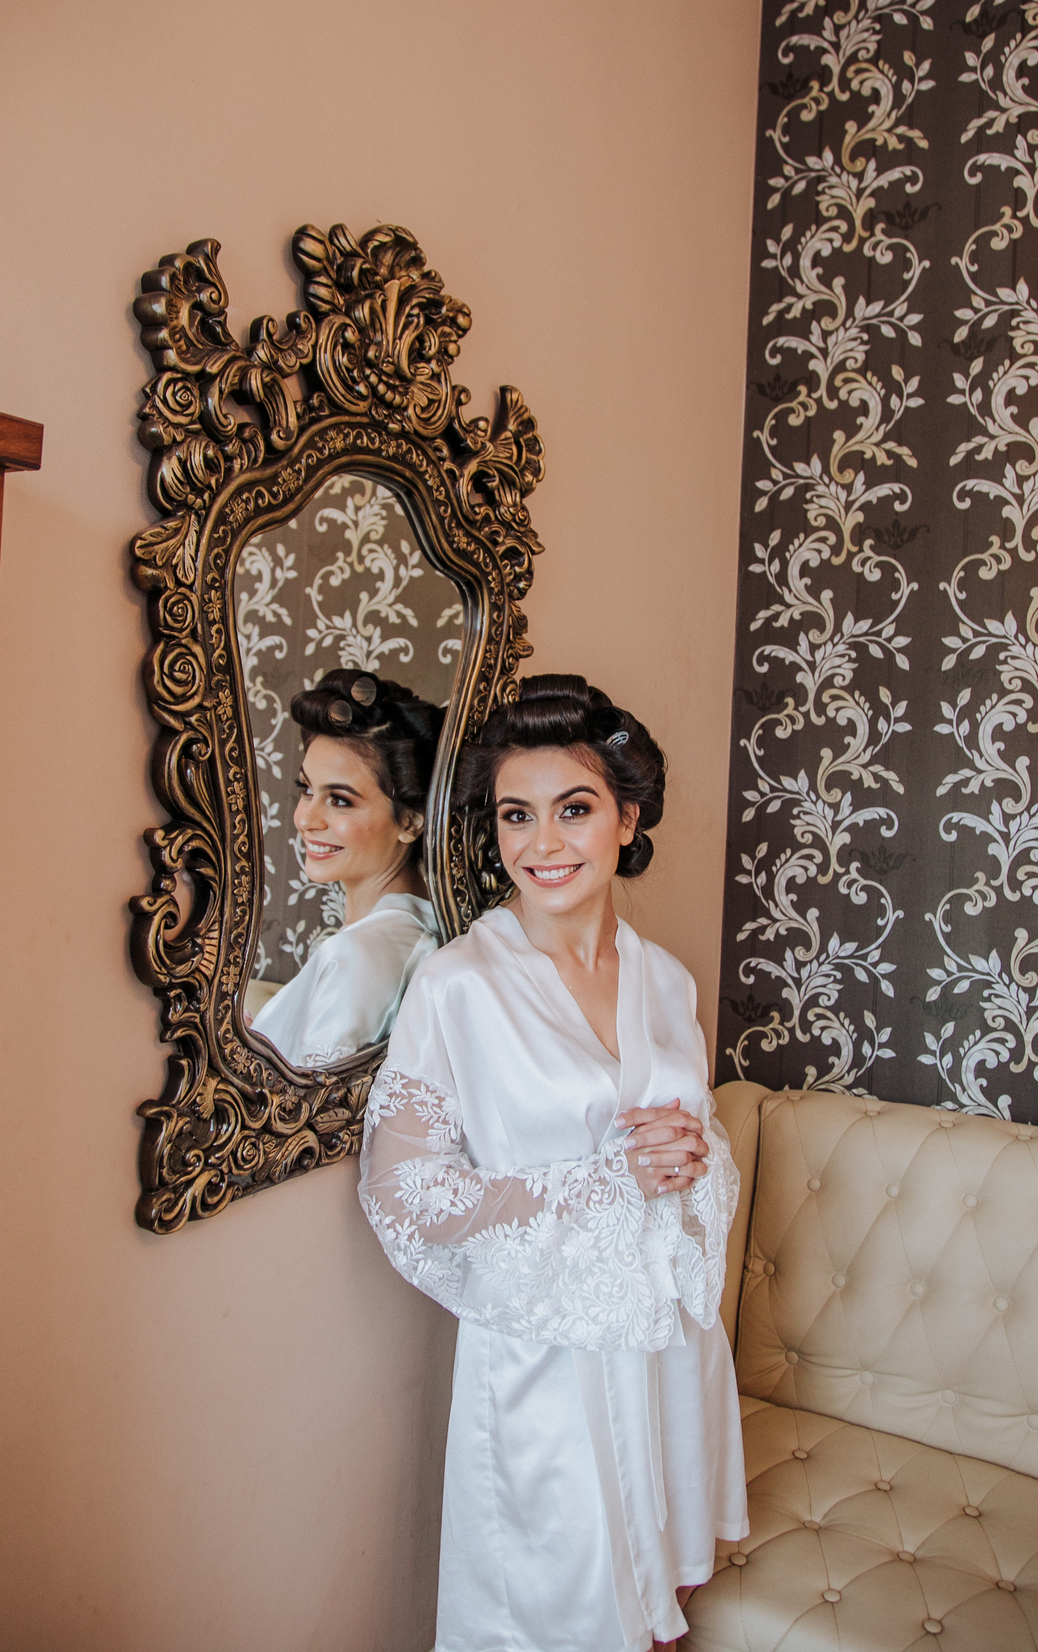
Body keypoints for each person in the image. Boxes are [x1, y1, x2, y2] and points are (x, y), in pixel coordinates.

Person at [359, 674, 747, 1652]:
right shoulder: (458, 989)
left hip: (666, 1350)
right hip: (547, 1366)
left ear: (628, 818)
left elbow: (692, 1148)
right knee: (554, 1619)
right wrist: (609, 1181)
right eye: (516, 815)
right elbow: (404, 1192)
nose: (543, 844)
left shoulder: (667, 981)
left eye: (574, 809)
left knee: (660, 1612)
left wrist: (694, 1155)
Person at [251, 669, 443, 1070]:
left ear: (411, 821)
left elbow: (311, 1105)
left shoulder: (357, 958)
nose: (306, 819)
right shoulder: (417, 927)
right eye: (307, 789)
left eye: (339, 800)